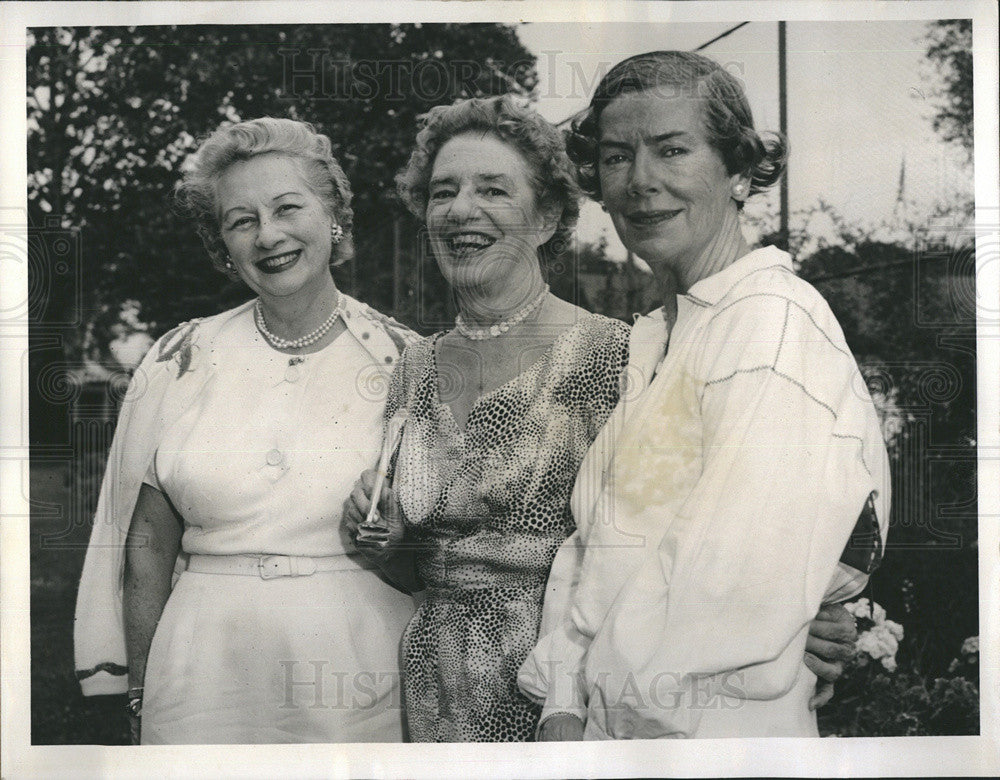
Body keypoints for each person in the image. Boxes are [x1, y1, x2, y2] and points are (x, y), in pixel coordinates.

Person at [343, 95, 858, 743]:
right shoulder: (413, 368)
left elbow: (718, 523)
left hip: (568, 690)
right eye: (443, 191)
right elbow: (419, 570)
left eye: (493, 189)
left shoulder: (614, 355)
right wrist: (388, 543)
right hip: (433, 684)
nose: (462, 209)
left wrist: (794, 613)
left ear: (548, 215)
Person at [517, 51, 891, 740]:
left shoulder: (773, 326)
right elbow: (594, 550)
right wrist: (561, 707)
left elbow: (727, 596)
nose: (640, 182)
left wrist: (587, 725)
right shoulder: (659, 335)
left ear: (742, 172)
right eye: (616, 156)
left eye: (673, 150)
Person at [73, 117, 417, 744]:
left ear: (333, 216)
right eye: (242, 221)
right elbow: (143, 545)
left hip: (358, 673)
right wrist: (138, 686)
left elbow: (443, 553)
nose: (269, 236)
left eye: (289, 208)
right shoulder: (178, 357)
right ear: (222, 245)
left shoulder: (407, 361)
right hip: (199, 671)